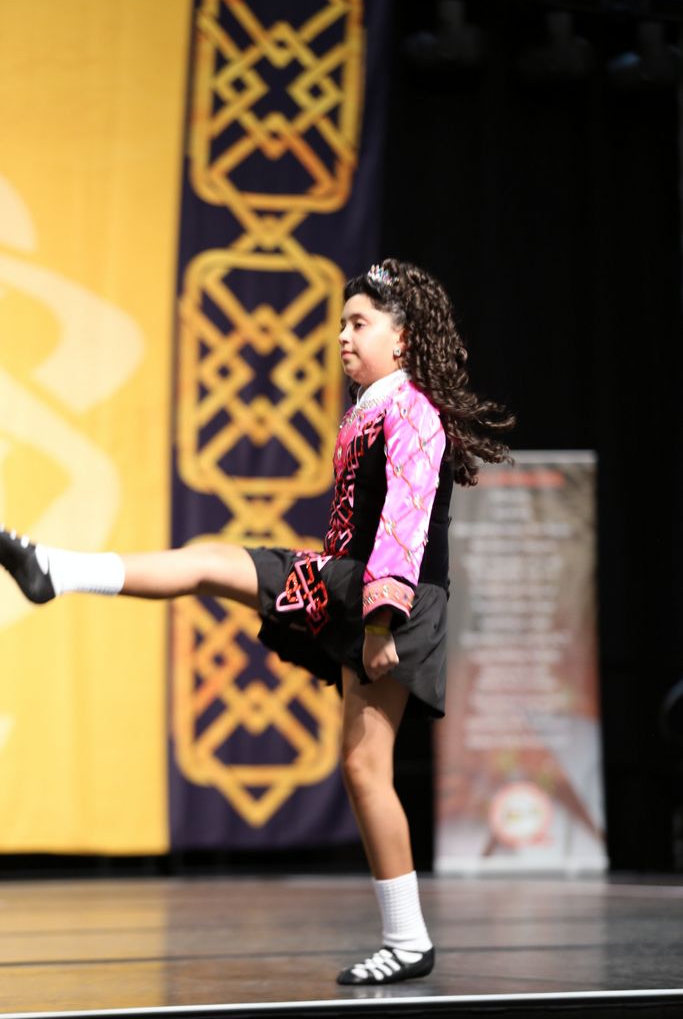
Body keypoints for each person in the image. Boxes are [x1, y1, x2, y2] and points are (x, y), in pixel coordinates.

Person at [0, 258, 513, 985]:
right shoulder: (370, 407)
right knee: (212, 564)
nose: (342, 337)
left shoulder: (410, 411)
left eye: (358, 323)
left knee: (365, 767)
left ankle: (408, 941)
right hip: (350, 586)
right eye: (340, 324)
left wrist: (376, 627)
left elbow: (402, 523)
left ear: (402, 338)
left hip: (390, 601)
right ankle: (56, 570)